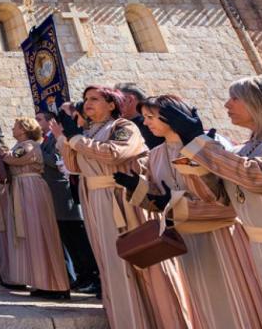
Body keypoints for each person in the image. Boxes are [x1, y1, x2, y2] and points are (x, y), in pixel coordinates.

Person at [113, 94, 262, 328]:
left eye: (151, 117)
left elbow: (227, 199)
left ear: (172, 116)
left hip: (222, 236)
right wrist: (139, 189)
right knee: (204, 305)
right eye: (144, 117)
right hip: (188, 241)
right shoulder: (156, 154)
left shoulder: (211, 144)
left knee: (237, 299)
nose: (145, 123)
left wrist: (177, 203)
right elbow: (160, 199)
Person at [167, 75, 262, 328]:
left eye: (235, 98)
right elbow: (227, 198)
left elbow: (258, 177)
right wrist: (201, 163)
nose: (227, 105)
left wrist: (200, 143)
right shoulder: (248, 147)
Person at [53, 86, 191, 329]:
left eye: (95, 99)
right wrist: (66, 137)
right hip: (94, 199)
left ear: (112, 104)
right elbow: (73, 165)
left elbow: (115, 153)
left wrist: (77, 139)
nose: (87, 103)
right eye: (86, 99)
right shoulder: (87, 132)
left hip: (121, 199)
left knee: (137, 259)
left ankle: (160, 319)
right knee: (110, 261)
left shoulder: (123, 127)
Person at [2, 118, 70, 300]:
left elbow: (11, 159)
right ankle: (42, 281)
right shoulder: (21, 144)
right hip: (22, 187)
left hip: (30, 188)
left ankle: (55, 284)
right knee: (32, 235)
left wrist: (0, 152)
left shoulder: (28, 145)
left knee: (39, 232)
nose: (12, 128)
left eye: (15, 126)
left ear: (24, 129)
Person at [35, 109, 99, 295]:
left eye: (39, 119)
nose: (37, 122)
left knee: (77, 238)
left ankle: (92, 276)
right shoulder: (46, 140)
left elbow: (57, 161)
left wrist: (39, 153)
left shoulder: (57, 139)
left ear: (50, 122)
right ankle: (81, 275)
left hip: (64, 195)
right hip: (55, 196)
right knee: (68, 238)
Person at [116, 83, 163, 149]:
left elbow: (114, 151)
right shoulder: (123, 124)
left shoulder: (153, 124)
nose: (113, 105)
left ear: (129, 99)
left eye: (116, 100)